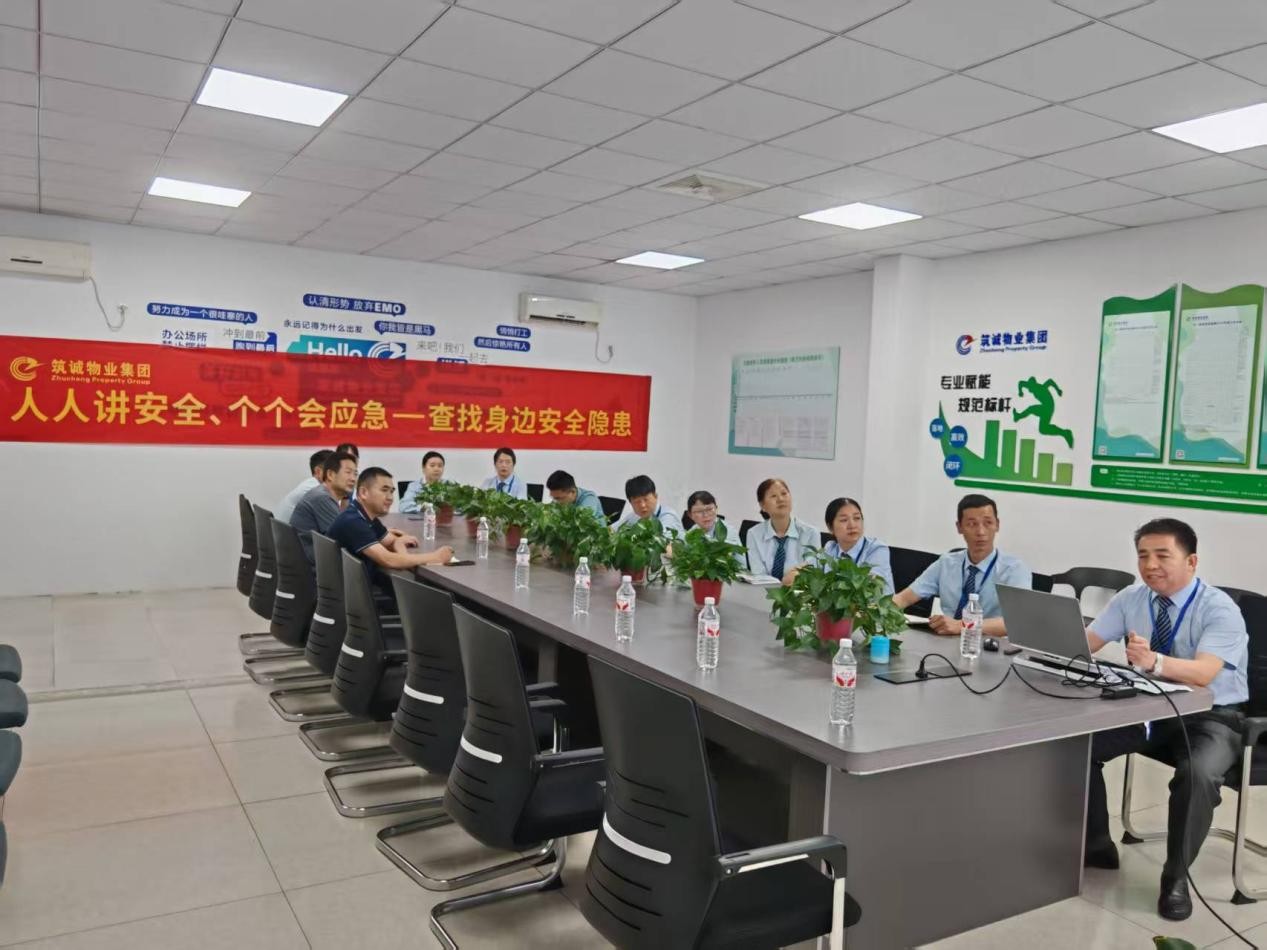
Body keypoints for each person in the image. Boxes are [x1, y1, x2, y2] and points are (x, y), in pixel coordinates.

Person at [1082, 518, 1247, 922]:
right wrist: (1043, 642)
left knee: (1198, 773)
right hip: (1150, 707)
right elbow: (1087, 643)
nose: (1150, 565)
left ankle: (1175, 877)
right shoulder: (1132, 598)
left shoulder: (1219, 608)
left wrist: (1154, 661)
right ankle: (1096, 842)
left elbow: (1204, 673)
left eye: (1162, 555)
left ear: (1191, 561)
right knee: (1080, 744)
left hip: (1212, 715)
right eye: (1143, 555)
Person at [892, 493, 1030, 637]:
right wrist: (878, 611)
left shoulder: (1014, 569)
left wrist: (962, 625)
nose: (981, 532)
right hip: (946, 642)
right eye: (972, 524)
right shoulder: (946, 563)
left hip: (989, 645)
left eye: (988, 523)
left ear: (997, 525)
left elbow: (1018, 621)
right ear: (959, 527)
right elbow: (903, 598)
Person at [330, 467, 454, 600]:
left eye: (391, 491)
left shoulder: (364, 515)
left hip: (356, 588)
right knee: (435, 596)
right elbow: (388, 560)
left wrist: (400, 546)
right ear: (363, 492)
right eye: (384, 490)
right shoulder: (353, 521)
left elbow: (392, 541)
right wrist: (436, 557)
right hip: (349, 597)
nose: (390, 497)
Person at [814, 497, 894, 594]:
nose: (852, 525)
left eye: (857, 518)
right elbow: (809, 570)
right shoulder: (830, 548)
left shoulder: (877, 549)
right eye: (844, 520)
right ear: (830, 527)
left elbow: (870, 588)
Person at [289, 450, 356, 565]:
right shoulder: (322, 498)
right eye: (348, 472)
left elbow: (346, 525)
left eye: (355, 474)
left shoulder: (322, 493)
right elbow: (347, 538)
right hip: (312, 567)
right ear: (330, 475)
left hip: (309, 560)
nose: (353, 479)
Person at [745, 478, 818, 580]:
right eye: (773, 496)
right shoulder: (753, 534)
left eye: (784, 493)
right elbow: (758, 574)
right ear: (762, 505)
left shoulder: (810, 533)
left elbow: (811, 569)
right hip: (764, 588)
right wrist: (780, 584)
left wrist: (794, 576)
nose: (780, 499)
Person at [276, 449, 332, 523]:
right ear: (318, 471)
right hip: (288, 529)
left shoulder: (310, 483)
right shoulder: (315, 489)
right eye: (333, 470)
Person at [614, 475, 682, 532]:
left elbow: (660, 540)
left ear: (655, 496)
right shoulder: (635, 516)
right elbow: (612, 530)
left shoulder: (668, 516)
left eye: (646, 500)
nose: (642, 505)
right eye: (637, 502)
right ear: (630, 503)